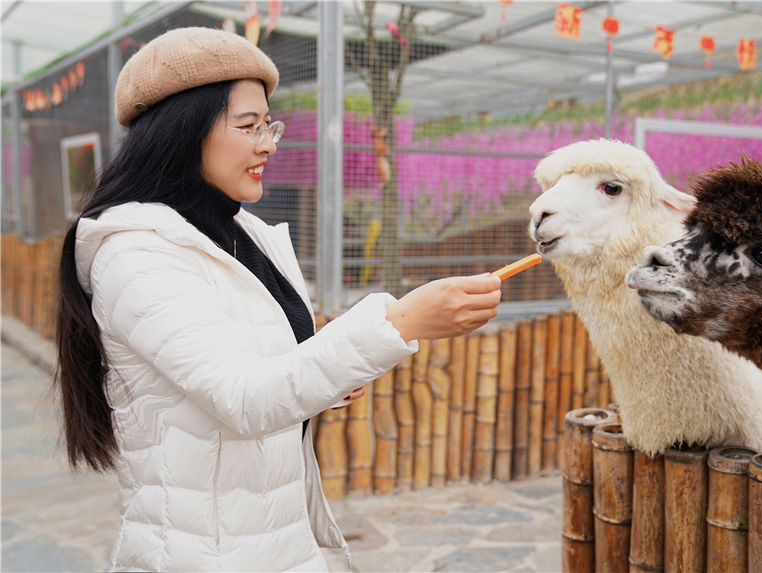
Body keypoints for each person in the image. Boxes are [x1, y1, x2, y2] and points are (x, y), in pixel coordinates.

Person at [55, 27, 501, 572]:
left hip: (274, 537)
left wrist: (328, 380)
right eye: (248, 126)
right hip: (206, 553)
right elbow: (244, 398)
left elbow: (261, 366)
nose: (268, 143)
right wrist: (402, 320)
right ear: (181, 133)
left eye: (269, 125)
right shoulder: (136, 255)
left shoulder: (249, 233)